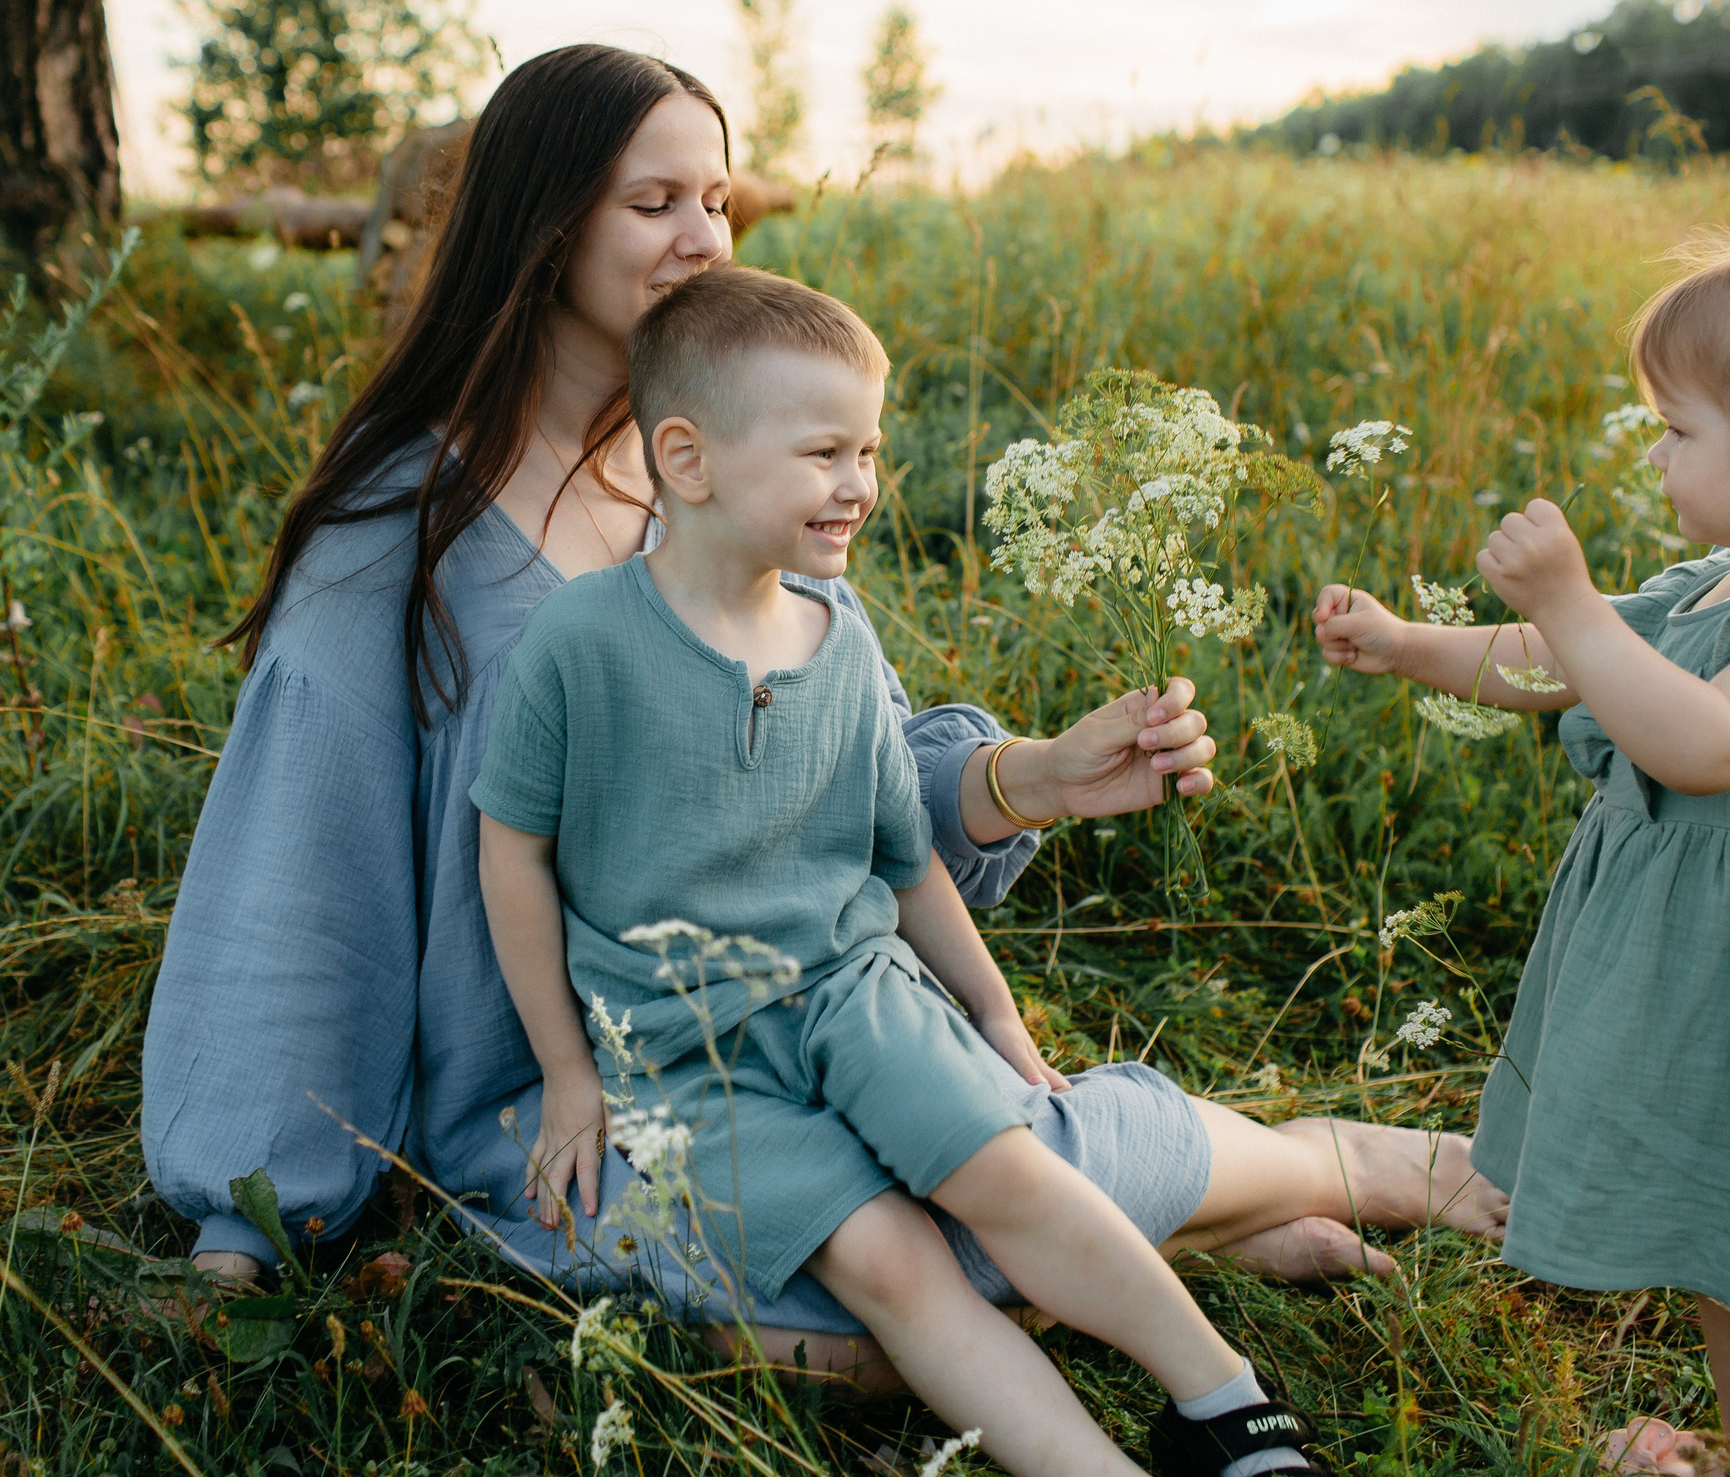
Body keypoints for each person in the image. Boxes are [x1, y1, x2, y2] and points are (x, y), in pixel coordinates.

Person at [140, 42, 1505, 1388]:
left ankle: (1344, 1155)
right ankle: (1179, 1216)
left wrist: (1034, 776)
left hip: (812, 1022)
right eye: (654, 201)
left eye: (718, 199)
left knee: (961, 1234)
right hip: (571, 1091)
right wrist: (246, 1210)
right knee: (853, 1322)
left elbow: (852, 783)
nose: (702, 236)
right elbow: (297, 870)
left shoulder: (737, 461)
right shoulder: (403, 525)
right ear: (546, 224)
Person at [475, 265, 1327, 1477]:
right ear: (688, 457)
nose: (860, 485)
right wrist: (568, 1073)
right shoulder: (579, 641)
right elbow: (511, 851)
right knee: (886, 1261)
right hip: (686, 1053)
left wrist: (990, 1012)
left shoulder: (839, 632)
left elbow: (900, 854)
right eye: (825, 453)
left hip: (855, 997)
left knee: (1009, 1174)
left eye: (869, 451)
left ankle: (1227, 1410)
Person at [1312, 179, 1730, 1477]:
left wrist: (1568, 601)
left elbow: (1703, 739)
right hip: (1703, 1000)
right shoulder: (1724, 581)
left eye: (1677, 431)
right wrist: (1409, 644)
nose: (1658, 459)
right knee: (1723, 1265)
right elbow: (1568, 661)